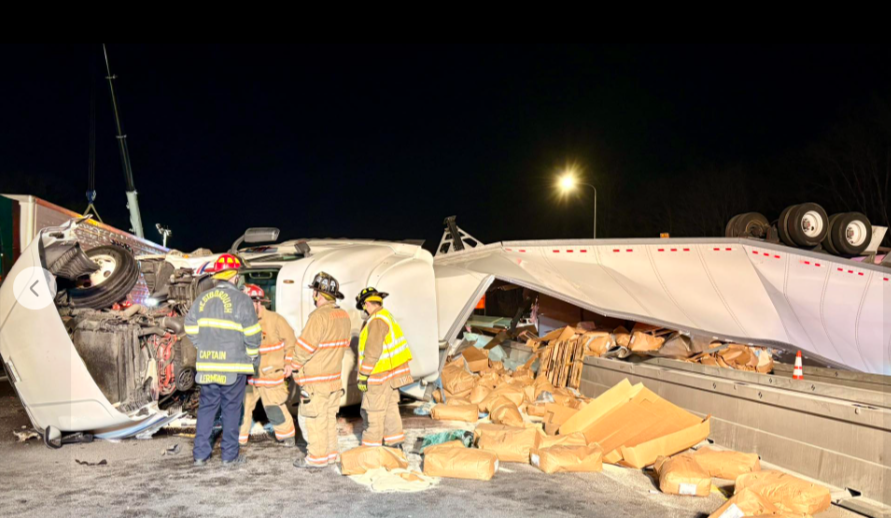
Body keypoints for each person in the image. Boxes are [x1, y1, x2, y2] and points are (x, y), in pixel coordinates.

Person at [184, 254, 261, 466]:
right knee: (230, 411)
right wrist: (253, 358)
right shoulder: (242, 300)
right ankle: (229, 456)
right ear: (235, 276)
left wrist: (203, 344)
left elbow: (189, 326)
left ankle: (200, 455)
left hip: (208, 366)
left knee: (207, 410)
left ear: (218, 276)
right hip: (233, 368)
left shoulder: (202, 299)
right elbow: (253, 335)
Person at [289, 272, 351, 470]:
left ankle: (316, 458)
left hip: (316, 382)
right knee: (329, 419)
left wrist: (293, 365)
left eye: (314, 292)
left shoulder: (318, 317)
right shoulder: (343, 316)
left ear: (318, 294)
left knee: (313, 419)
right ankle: (331, 454)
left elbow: (305, 347)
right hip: (334, 380)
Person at [238, 284, 298, 447]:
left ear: (258, 302)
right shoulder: (242, 322)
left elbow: (291, 343)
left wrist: (288, 363)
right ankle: (239, 440)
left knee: (273, 407)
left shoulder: (275, 320)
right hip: (250, 376)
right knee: (242, 407)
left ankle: (288, 436)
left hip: (271, 376)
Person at [355, 287, 413, 450]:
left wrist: (364, 375)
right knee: (390, 409)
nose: (364, 311)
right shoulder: (387, 316)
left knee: (373, 412)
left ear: (367, 304)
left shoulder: (376, 321)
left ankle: (370, 451)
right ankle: (395, 444)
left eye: (363, 307)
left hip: (378, 376)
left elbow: (372, 351)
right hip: (390, 375)